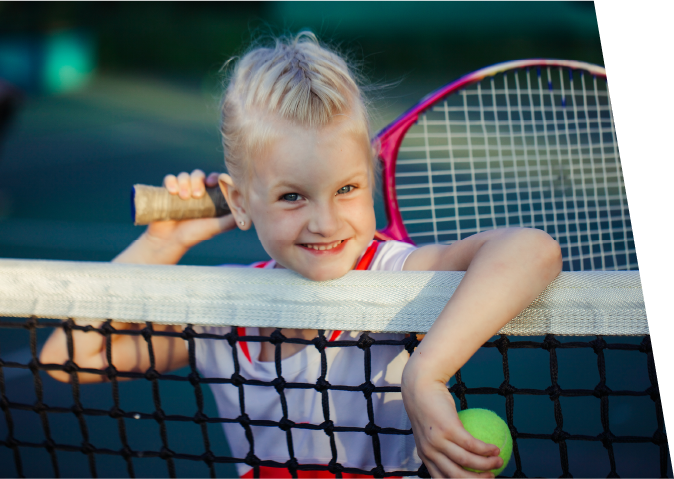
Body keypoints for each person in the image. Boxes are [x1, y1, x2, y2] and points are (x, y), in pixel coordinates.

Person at [40, 32, 562, 479]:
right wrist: (164, 241)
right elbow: (70, 358)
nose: (326, 223)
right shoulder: (225, 307)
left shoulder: (393, 275)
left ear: (371, 177)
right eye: (293, 196)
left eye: (347, 189)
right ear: (239, 200)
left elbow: (530, 250)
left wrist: (425, 373)